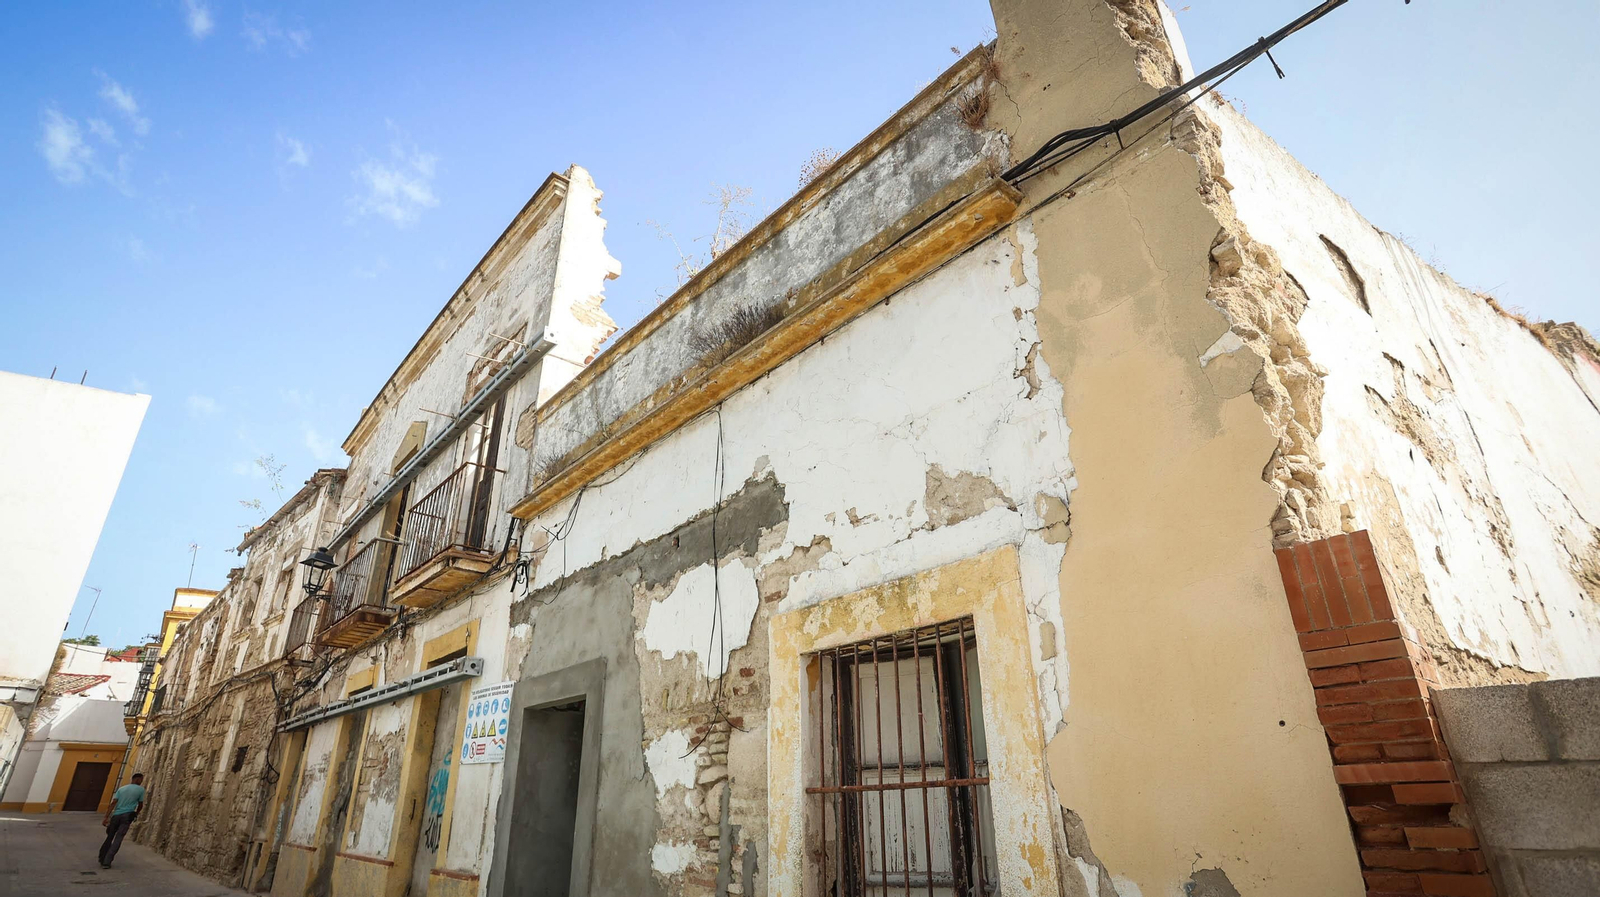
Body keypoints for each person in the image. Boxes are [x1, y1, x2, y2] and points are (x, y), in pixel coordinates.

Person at [98, 772, 146, 868]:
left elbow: (113, 803)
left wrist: (106, 817)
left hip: (116, 816)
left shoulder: (121, 789)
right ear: (137, 779)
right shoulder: (141, 790)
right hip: (127, 816)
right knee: (118, 839)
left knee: (109, 837)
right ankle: (107, 861)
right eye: (141, 779)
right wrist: (136, 813)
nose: (141, 781)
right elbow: (140, 804)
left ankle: (102, 857)